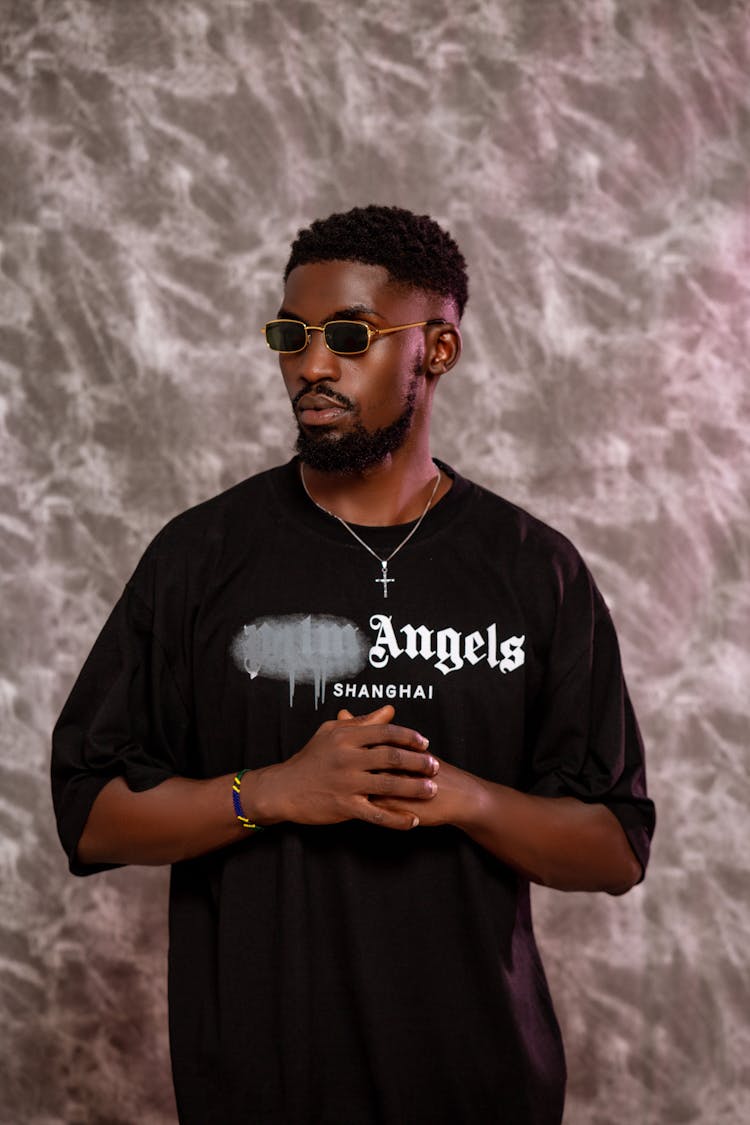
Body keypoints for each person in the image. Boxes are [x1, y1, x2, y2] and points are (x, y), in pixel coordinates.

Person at [51, 204, 655, 1125]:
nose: (312, 365)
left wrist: (465, 796)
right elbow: (91, 816)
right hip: (264, 1091)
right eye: (292, 335)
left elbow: (615, 846)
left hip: (480, 1090)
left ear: (436, 351)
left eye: (348, 335)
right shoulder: (201, 557)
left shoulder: (535, 570)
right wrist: (273, 791)